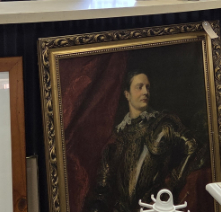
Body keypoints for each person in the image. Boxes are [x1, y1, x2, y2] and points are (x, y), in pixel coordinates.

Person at [83, 71, 197, 212]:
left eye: (147, 87)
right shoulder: (117, 137)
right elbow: (103, 188)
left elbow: (191, 145)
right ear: (127, 94)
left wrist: (173, 185)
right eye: (139, 87)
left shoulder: (163, 124)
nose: (145, 92)